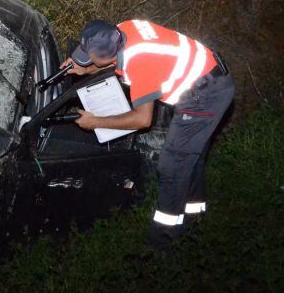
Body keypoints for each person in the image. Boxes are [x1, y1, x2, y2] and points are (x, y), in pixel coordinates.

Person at [60, 19, 235, 251]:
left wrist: (96, 122)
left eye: (91, 58)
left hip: (206, 95)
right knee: (191, 159)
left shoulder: (141, 63)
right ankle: (196, 223)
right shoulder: (123, 29)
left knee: (172, 167)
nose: (88, 59)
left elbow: (142, 119)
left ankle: (162, 245)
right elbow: (114, 62)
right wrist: (86, 68)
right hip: (209, 77)